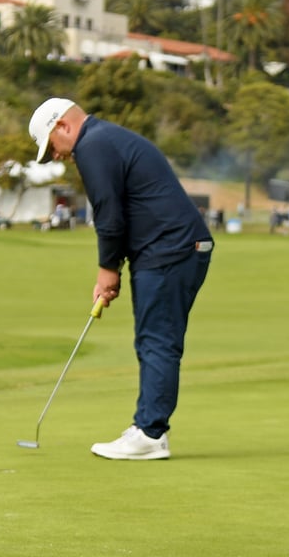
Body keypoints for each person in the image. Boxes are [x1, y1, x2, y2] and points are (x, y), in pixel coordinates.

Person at [27, 97, 214, 461]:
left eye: (52, 148)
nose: (57, 156)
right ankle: (149, 428)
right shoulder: (104, 138)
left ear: (62, 126)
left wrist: (107, 269)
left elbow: (109, 214)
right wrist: (113, 268)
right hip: (171, 248)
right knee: (153, 339)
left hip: (169, 249)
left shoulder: (92, 145)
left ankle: (150, 433)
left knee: (157, 340)